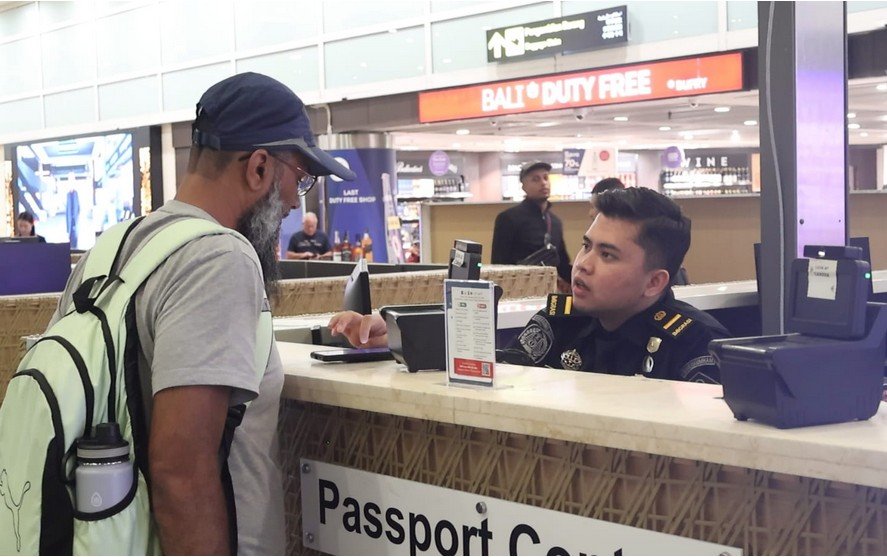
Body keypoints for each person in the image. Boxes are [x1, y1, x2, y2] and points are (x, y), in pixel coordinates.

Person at [50, 72, 355, 554]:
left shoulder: (112, 248)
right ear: (258, 167)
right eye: (300, 178)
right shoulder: (218, 258)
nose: (297, 202)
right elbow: (182, 473)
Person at [329, 187, 728, 384]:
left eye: (608, 255)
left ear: (654, 282)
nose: (583, 265)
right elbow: (505, 364)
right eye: (587, 246)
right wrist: (399, 337)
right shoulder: (563, 320)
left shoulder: (696, 343)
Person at [491, 161, 571, 291]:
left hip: (549, 292)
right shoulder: (508, 218)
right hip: (517, 292)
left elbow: (562, 263)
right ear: (523, 186)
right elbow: (499, 264)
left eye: (546, 178)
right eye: (535, 179)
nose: (543, 183)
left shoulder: (555, 221)